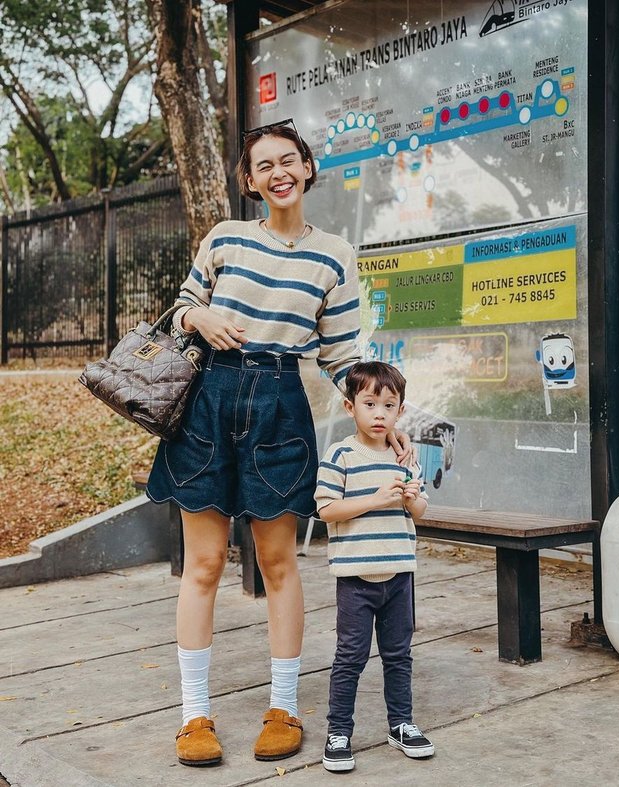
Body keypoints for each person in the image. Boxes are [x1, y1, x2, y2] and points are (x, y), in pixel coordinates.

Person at [145, 119, 413, 767]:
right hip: (208, 399)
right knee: (204, 564)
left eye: (287, 161)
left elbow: (344, 354)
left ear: (309, 168)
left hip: (279, 404)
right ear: (250, 180)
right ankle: (194, 717)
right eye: (263, 165)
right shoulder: (226, 237)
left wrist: (384, 414)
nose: (277, 173)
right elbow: (180, 309)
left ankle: (284, 707)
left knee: (279, 564)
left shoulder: (334, 255)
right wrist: (199, 314)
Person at [314, 361, 434, 773]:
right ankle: (338, 732)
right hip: (355, 576)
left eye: (389, 405)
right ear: (350, 407)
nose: (379, 413)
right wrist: (375, 500)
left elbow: (418, 511)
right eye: (370, 404)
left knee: (399, 655)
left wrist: (410, 496)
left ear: (401, 410)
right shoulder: (341, 455)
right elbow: (326, 510)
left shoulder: (404, 456)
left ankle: (401, 724)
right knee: (351, 655)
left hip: (400, 572)